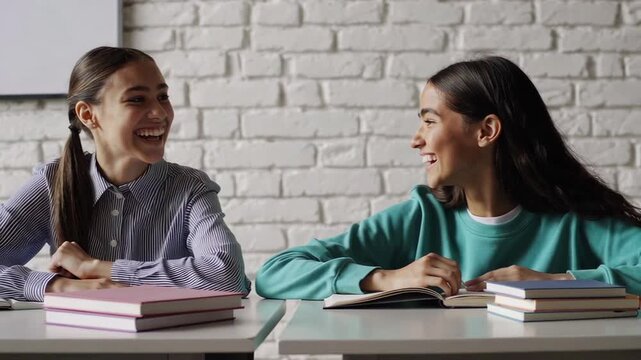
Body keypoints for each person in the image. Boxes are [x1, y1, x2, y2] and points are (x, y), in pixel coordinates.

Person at [256, 56, 641, 300]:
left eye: (429, 120)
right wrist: (387, 279)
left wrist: (556, 283)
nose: (416, 139)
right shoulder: (421, 215)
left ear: (486, 131)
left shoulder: (576, 221)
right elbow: (276, 273)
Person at [0, 46, 250, 301]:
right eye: (137, 99)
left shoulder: (191, 189)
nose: (160, 113)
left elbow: (227, 275)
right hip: (72, 341)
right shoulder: (51, 183)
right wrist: (58, 286)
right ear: (88, 115)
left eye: (163, 97)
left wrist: (96, 268)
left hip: (169, 342)